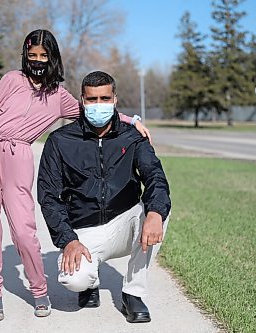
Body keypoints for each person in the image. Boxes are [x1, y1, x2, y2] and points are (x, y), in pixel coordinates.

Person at [0, 30, 151, 321]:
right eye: (32, 55)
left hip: (20, 154)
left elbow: (92, 109)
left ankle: (39, 290)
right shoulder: (11, 80)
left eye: (43, 55)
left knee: (24, 231)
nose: (36, 61)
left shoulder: (58, 97)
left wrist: (131, 120)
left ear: (52, 57)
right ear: (25, 55)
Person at [37, 71, 171, 323]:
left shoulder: (133, 137)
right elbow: (48, 196)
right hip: (83, 233)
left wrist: (154, 213)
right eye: (92, 99)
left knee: (158, 209)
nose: (99, 105)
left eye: (104, 98)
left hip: (124, 224)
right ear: (82, 100)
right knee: (73, 279)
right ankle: (90, 283)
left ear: (115, 100)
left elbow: (155, 176)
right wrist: (68, 240)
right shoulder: (60, 141)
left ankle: (133, 293)